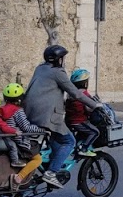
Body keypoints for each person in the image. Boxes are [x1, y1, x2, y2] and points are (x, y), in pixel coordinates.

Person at [24, 45, 103, 188]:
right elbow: (76, 93)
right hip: (48, 117)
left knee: (56, 142)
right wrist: (94, 105)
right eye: (63, 58)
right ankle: (51, 173)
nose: (64, 60)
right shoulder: (58, 73)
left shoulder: (39, 69)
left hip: (30, 114)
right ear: (59, 59)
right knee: (69, 142)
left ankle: (50, 166)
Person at [0, 82, 43, 165]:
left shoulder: (1, 110)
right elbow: (26, 128)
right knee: (37, 159)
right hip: (19, 141)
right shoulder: (17, 111)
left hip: (7, 140)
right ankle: (20, 177)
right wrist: (42, 129)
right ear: (20, 99)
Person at [65, 68, 100, 157]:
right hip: (79, 121)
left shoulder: (71, 93)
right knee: (95, 132)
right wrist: (96, 106)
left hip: (69, 121)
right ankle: (84, 149)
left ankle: (76, 148)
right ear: (85, 83)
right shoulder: (84, 94)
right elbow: (89, 109)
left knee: (80, 135)